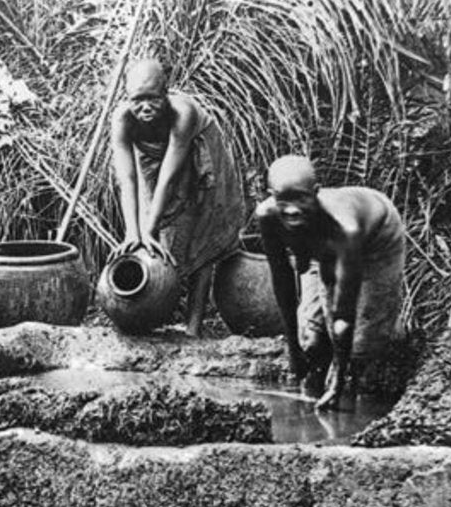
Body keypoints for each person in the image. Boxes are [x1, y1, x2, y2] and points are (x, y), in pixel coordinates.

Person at [254, 155, 406, 410]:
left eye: (301, 198)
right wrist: (293, 350)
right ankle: (324, 370)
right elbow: (282, 280)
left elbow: (343, 310)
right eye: (284, 200)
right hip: (320, 245)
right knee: (310, 340)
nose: (292, 210)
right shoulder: (267, 215)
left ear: (316, 192)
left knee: (360, 349)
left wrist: (337, 382)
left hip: (376, 242)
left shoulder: (345, 226)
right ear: (272, 196)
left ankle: (380, 342)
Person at [109, 58, 245, 336]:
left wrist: (149, 229)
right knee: (149, 236)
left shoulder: (183, 113)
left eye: (153, 98)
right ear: (126, 97)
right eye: (137, 100)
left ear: (166, 92)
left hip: (197, 151)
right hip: (152, 159)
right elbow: (127, 179)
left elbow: (169, 178)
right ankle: (155, 312)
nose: (145, 107)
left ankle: (193, 326)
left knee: (201, 233)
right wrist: (134, 232)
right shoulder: (122, 119)